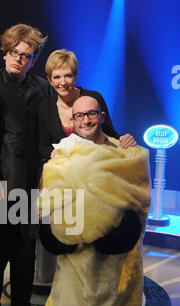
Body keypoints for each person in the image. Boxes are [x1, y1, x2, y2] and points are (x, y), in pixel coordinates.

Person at [37, 95, 151, 306]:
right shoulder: (61, 154)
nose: (86, 120)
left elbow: (139, 194)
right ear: (71, 121)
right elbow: (49, 197)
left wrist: (126, 231)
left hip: (117, 260)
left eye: (92, 114)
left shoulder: (123, 152)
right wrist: (50, 234)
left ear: (101, 115)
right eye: (80, 116)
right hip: (77, 258)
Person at [0, 24, 51, 306]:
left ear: (33, 59)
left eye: (26, 55)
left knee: (26, 248)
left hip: (32, 181)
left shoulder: (43, 88)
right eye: (13, 53)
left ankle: (21, 301)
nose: (18, 59)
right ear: (5, 52)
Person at [36, 49, 137, 285]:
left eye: (68, 76)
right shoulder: (44, 107)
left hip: (94, 181)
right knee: (62, 237)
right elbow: (40, 145)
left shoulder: (94, 98)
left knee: (94, 238)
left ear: (76, 76)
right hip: (62, 180)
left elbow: (109, 132)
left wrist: (124, 139)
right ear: (49, 79)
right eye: (57, 77)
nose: (63, 82)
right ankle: (57, 283)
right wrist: (52, 153)